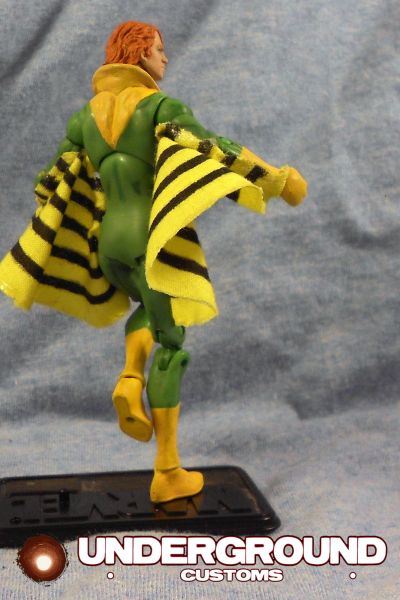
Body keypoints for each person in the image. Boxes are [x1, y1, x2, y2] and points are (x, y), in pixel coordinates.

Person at [0, 21, 307, 503]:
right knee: (173, 345)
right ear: (140, 53)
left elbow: (48, 181)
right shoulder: (163, 108)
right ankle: (167, 472)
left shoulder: (84, 120)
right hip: (149, 240)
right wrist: (278, 180)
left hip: (109, 244)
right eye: (160, 50)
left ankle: (129, 378)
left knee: (146, 308)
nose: (165, 58)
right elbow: (215, 150)